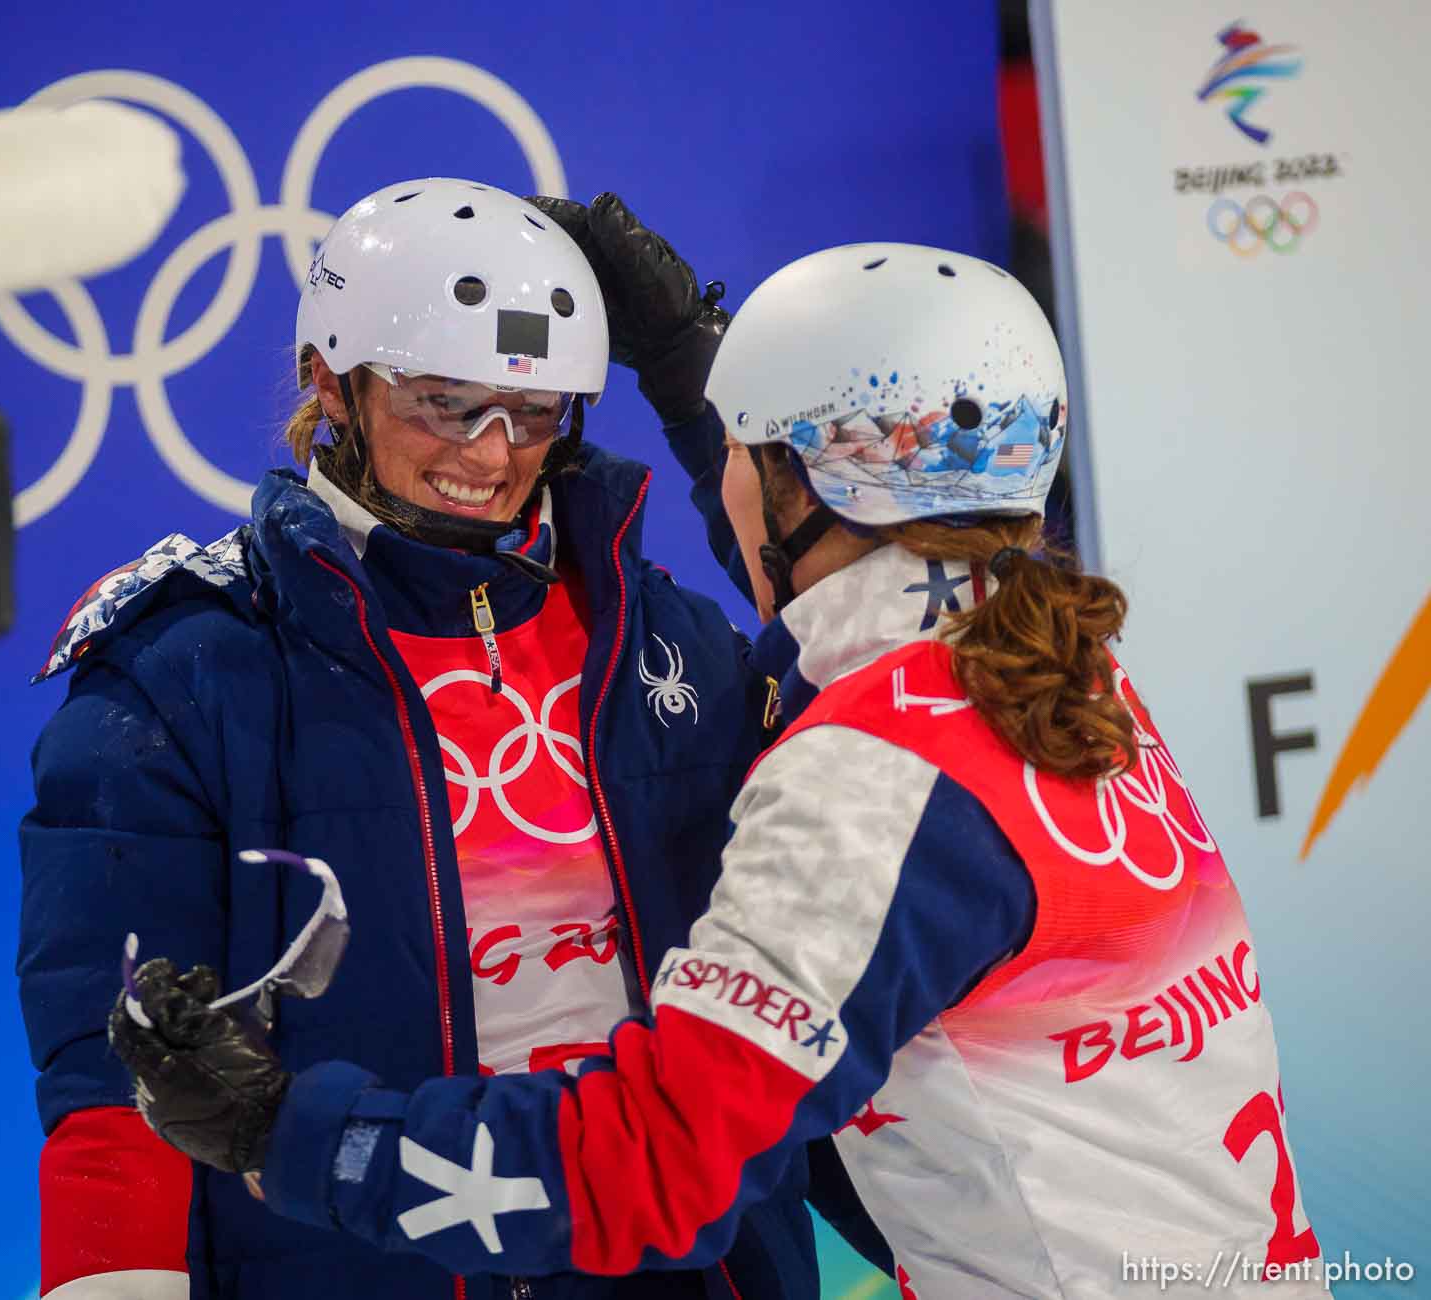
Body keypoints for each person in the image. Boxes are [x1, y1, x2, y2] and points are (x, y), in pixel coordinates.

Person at [116, 241, 1328, 1298]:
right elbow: (837, 603)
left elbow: (654, 1165)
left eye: (745, 447)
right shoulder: (1055, 668)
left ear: (792, 482)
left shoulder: (872, 780)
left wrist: (293, 1131)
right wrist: (709, 370)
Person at [18, 182, 879, 1299]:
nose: (491, 451)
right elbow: (114, 1076)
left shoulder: (663, 633)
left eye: (533, 411)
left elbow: (884, 662)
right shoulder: (185, 669)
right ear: (330, 381)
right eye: (443, 402)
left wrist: (685, 362)